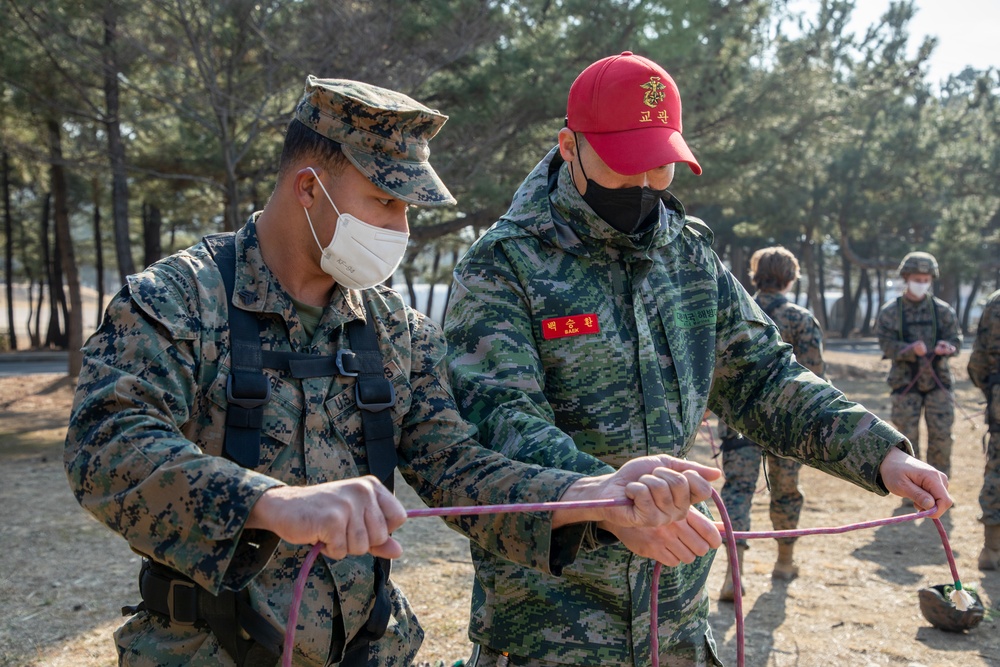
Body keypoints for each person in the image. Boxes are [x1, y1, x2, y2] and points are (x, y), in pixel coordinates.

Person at [63, 76, 726, 667]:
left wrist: (591, 495)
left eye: (409, 208)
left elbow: (459, 470)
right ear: (308, 187)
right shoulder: (178, 300)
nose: (400, 226)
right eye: (384, 201)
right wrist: (274, 504)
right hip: (202, 648)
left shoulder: (396, 333)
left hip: (370, 647)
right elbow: (106, 446)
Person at [442, 51, 952, 667]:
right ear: (569, 147)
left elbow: (763, 375)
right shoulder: (503, 266)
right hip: (552, 624)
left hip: (673, 614)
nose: (645, 185)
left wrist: (881, 453)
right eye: (626, 165)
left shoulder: (687, 253)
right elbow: (499, 422)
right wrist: (605, 502)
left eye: (661, 167)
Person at [715, 246, 825, 602]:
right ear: (790, 278)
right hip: (786, 426)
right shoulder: (801, 318)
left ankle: (734, 575)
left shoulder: (736, 312)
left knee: (737, 492)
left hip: (738, 423)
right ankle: (784, 561)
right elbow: (814, 377)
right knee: (786, 491)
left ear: (755, 274)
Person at [875, 252, 962, 478]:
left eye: (926, 280)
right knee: (905, 443)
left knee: (941, 439)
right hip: (905, 385)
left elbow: (956, 339)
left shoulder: (943, 311)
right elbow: (885, 344)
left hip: (938, 383)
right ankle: (910, 491)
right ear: (906, 278)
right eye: (917, 279)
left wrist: (948, 347)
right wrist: (909, 349)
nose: (921, 284)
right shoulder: (890, 312)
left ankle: (940, 490)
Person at [968, 288, 1000, 570]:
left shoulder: (996, 301)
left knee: (997, 470)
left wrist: (992, 391)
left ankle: (992, 549)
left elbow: (978, 362)